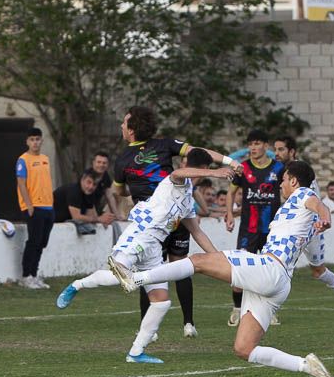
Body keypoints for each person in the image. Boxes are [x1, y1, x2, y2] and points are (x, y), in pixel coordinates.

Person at [110, 160, 334, 377]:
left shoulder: (302, 193)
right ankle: (305, 365)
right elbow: (317, 257)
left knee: (197, 261)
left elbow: (317, 203)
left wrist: (326, 216)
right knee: (244, 348)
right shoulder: (303, 215)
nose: (280, 185)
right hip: (280, 282)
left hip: (269, 268)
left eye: (284, 180)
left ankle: (135, 278)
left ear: (294, 181)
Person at [55, 148, 232, 363]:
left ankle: (136, 352)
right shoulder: (175, 181)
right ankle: (77, 285)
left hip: (154, 246)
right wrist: (217, 173)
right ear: (202, 170)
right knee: (121, 278)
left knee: (161, 302)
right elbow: (179, 173)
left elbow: (197, 232)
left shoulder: (187, 199)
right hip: (140, 235)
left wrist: (219, 258)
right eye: (206, 171)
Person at [112, 105, 239, 338]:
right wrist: (229, 162)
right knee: (179, 267)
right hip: (175, 215)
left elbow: (119, 191)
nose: (121, 125)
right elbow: (197, 153)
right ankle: (187, 323)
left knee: (148, 271)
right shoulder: (164, 144)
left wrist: (137, 189)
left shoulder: (122, 161)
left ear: (131, 130)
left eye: (124, 122)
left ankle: (148, 327)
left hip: (153, 222)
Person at [273, 136, 334, 320]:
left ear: (292, 152)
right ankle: (269, 311)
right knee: (279, 264)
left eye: (281, 149)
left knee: (317, 271)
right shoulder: (284, 172)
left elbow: (315, 203)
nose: (276, 153)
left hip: (311, 230)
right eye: (276, 149)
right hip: (292, 230)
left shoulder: (301, 173)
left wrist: (322, 219)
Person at [223, 128, 284, 327]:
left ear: (266, 146)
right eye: (250, 144)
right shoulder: (243, 168)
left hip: (271, 230)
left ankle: (270, 311)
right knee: (240, 268)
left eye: (257, 144)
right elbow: (231, 192)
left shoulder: (278, 168)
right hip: (248, 230)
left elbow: (289, 192)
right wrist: (230, 213)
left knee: (270, 271)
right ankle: (237, 309)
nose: (253, 148)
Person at [16, 127, 54, 289]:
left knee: (42, 243)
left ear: (41, 140)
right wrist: (29, 205)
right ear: (27, 141)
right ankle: (26, 276)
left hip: (48, 206)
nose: (35, 142)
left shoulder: (45, 158)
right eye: (32, 139)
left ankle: (34, 274)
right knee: (33, 241)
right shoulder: (23, 160)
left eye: (37, 139)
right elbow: (21, 183)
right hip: (34, 206)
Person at [89, 151, 124, 219]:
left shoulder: (105, 176)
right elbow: (87, 200)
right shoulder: (87, 177)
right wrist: (96, 218)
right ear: (93, 163)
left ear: (107, 165)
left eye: (104, 163)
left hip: (95, 212)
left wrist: (117, 216)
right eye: (98, 162)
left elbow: (109, 196)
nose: (101, 165)